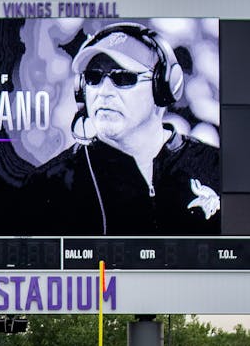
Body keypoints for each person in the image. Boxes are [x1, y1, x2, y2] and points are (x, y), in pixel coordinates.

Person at [24, 22, 221, 235]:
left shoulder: (217, 168)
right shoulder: (48, 185)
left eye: (123, 77)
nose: (103, 92)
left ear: (162, 87)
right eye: (93, 78)